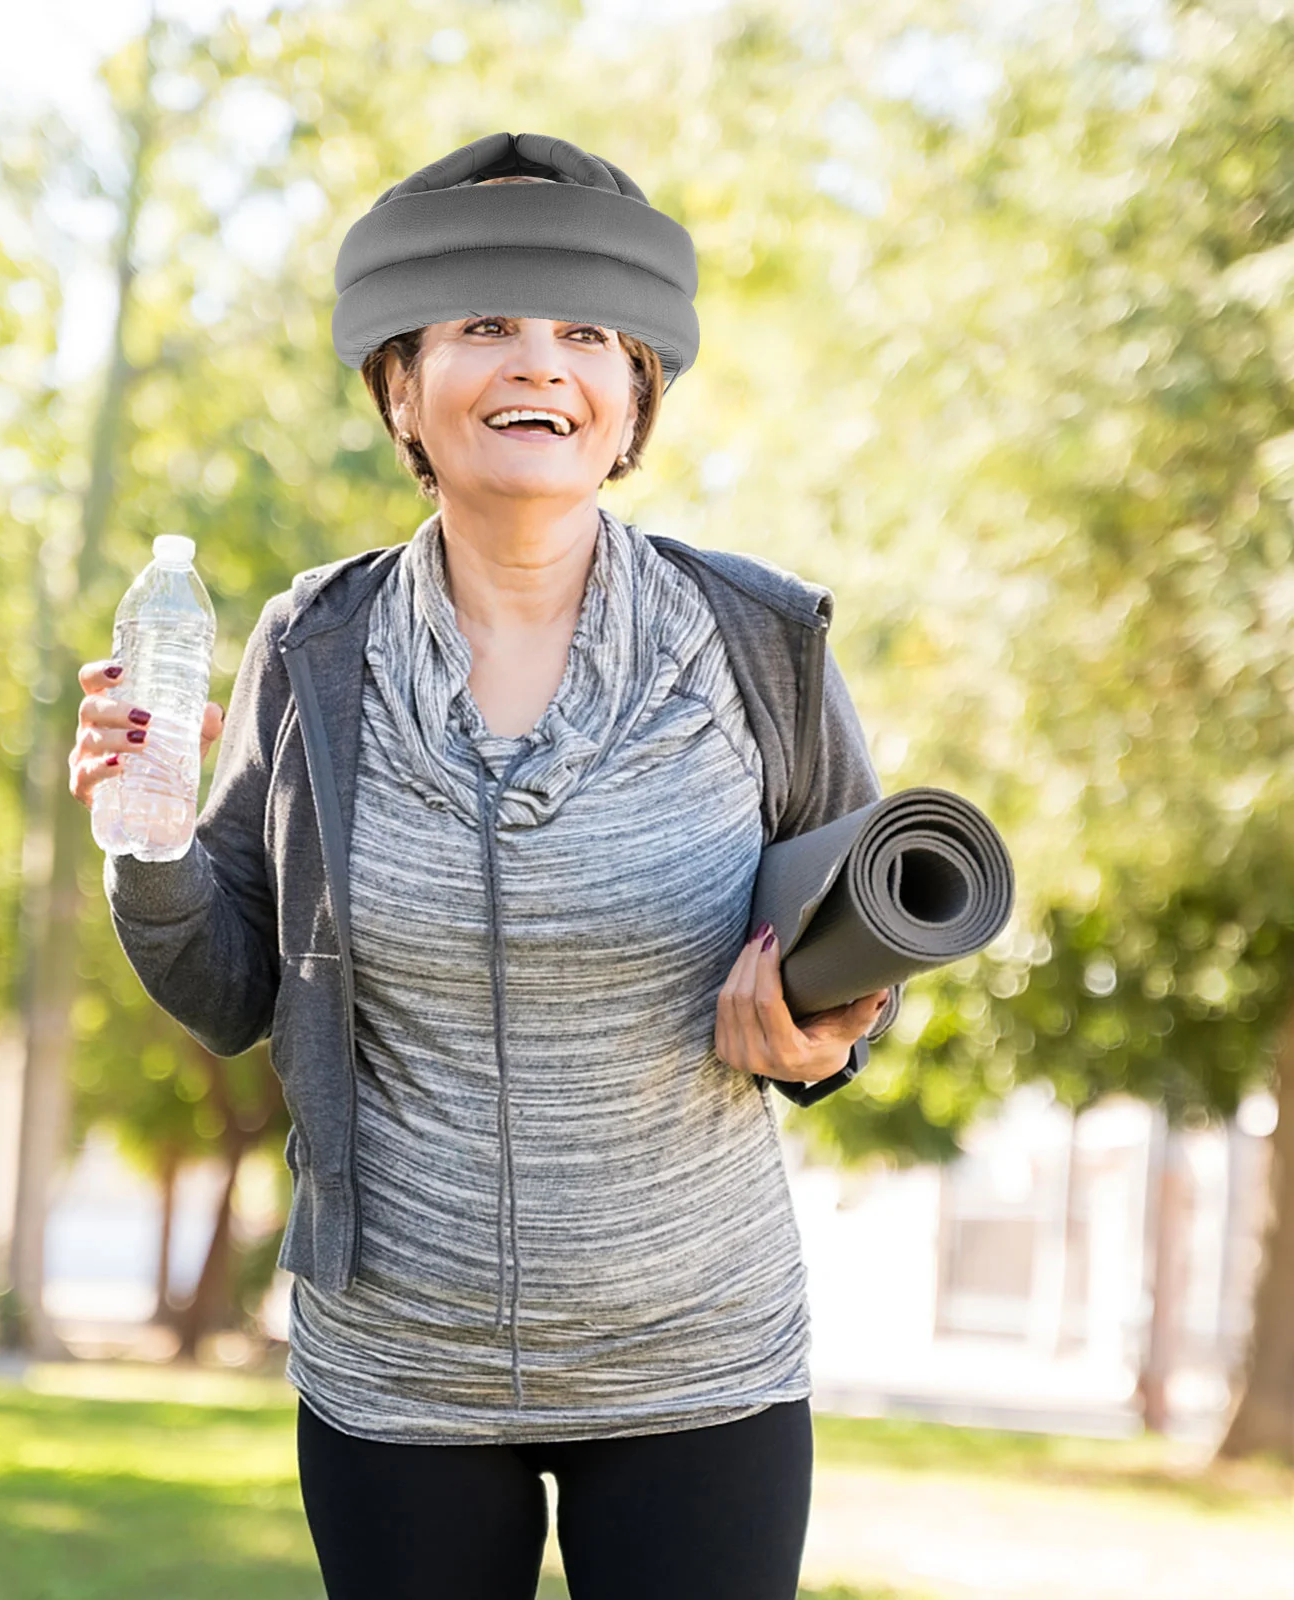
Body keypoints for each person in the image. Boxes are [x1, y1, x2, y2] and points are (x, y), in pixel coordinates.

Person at [69, 132, 899, 1600]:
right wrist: (146, 840)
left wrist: (824, 1030)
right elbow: (229, 984)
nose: (540, 364)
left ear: (636, 394)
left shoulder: (760, 645)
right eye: (484, 327)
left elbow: (864, 933)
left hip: (697, 1354)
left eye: (587, 333)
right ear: (401, 383)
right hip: (400, 1369)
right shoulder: (312, 651)